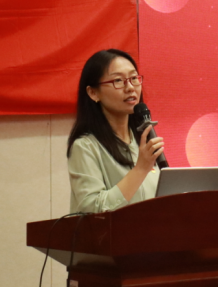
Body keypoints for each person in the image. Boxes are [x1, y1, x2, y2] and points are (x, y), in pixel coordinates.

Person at [66, 49, 164, 214]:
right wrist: (140, 169)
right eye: (118, 80)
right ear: (93, 93)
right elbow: (92, 208)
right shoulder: (85, 146)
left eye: (134, 78)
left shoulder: (142, 141)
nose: (130, 87)